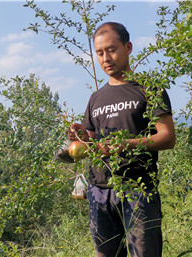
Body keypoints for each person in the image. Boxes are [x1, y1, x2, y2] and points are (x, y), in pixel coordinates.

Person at [68, 22, 176, 257]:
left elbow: (167, 137)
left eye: (112, 49)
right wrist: (83, 138)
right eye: (99, 52)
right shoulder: (96, 98)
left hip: (138, 188)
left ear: (128, 47)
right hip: (99, 191)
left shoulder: (149, 89)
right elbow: (94, 141)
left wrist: (124, 145)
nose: (106, 57)